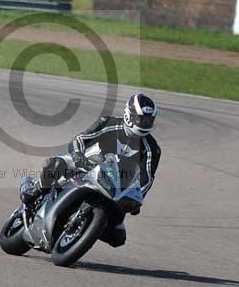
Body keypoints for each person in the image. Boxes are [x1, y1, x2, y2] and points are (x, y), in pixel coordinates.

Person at [20, 93, 162, 248]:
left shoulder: (152, 149)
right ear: (129, 115)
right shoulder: (108, 123)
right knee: (54, 165)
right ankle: (35, 187)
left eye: (149, 120)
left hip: (116, 187)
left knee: (117, 237)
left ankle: (85, 229)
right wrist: (78, 155)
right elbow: (79, 140)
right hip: (85, 165)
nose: (145, 123)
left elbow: (147, 178)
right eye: (141, 119)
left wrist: (137, 198)